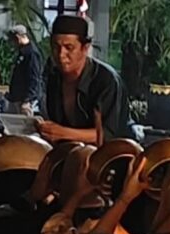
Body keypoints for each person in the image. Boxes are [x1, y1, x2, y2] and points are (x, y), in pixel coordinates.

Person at [38, 15, 131, 143]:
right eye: (56, 47)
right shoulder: (53, 76)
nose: (61, 54)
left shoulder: (106, 80)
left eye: (69, 48)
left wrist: (62, 133)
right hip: (68, 150)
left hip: (113, 152)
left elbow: (108, 134)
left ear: (85, 48)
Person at [8, 24, 43, 116]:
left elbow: (34, 77)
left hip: (26, 101)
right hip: (18, 98)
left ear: (17, 37)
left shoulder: (31, 53)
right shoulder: (22, 52)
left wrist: (28, 100)